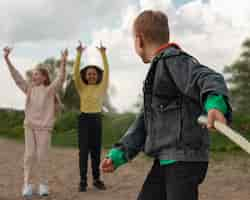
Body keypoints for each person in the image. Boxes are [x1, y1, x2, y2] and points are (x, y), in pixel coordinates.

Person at [101, 10, 232, 200]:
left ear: (139, 40)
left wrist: (215, 105)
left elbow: (208, 77)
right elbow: (144, 122)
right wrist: (119, 154)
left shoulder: (172, 60)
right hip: (165, 159)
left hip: (183, 160)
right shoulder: (158, 71)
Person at [3, 47, 68, 197]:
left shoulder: (50, 90)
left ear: (44, 77)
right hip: (29, 126)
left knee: (42, 155)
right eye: (33, 74)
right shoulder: (29, 89)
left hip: (44, 128)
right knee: (29, 155)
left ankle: (43, 184)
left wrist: (63, 62)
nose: (33, 76)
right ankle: (27, 184)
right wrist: (7, 59)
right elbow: (17, 77)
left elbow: (61, 79)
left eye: (36, 74)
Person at [73, 41, 109, 192]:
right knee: (83, 152)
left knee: (95, 151)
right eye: (89, 74)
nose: (92, 75)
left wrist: (103, 54)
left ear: (97, 75)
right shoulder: (82, 87)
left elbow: (107, 72)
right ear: (85, 76)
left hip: (96, 120)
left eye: (94, 73)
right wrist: (79, 54)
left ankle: (96, 179)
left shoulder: (101, 86)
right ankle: (82, 181)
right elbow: (75, 73)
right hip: (84, 120)